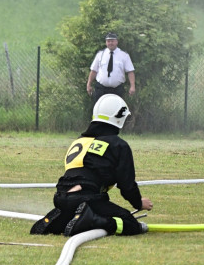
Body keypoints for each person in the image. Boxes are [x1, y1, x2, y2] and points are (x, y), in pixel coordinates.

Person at [30, 94, 152, 237]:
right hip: (87, 198)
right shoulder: (118, 145)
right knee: (129, 223)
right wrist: (138, 203)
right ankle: (91, 220)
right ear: (119, 117)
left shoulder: (79, 141)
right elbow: (126, 185)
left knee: (77, 212)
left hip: (61, 197)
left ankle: (61, 220)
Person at [87, 32, 136, 102]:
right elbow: (93, 71)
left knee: (117, 111)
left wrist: (132, 86)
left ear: (117, 42)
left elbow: (130, 72)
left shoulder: (124, 55)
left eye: (112, 41)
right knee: (100, 110)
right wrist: (89, 84)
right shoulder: (100, 54)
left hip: (117, 90)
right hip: (101, 89)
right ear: (106, 42)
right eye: (108, 41)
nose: (110, 43)